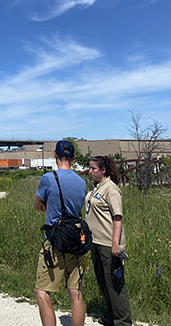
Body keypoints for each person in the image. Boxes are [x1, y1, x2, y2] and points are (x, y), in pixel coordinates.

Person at [33, 140, 87, 326]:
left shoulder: (48, 178)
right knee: (75, 291)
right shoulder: (82, 182)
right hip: (76, 239)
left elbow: (36, 204)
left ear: (55, 156)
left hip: (55, 242)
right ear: (73, 157)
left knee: (41, 291)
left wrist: (49, 207)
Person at [85, 156, 132, 325]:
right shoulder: (95, 187)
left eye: (93, 169)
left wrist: (115, 244)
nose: (90, 171)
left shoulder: (110, 189)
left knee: (114, 284)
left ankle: (123, 321)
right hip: (95, 242)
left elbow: (117, 218)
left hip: (108, 243)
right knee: (102, 281)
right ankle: (110, 315)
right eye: (89, 168)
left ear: (103, 170)